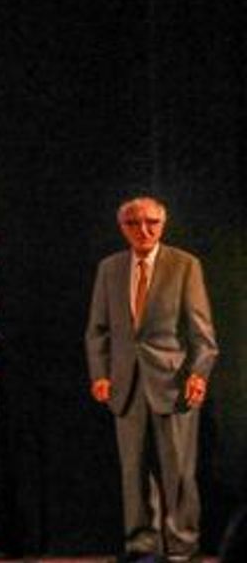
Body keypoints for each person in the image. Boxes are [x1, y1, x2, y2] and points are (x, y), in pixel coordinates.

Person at [85, 196, 217, 563]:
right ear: (122, 227)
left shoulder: (184, 265)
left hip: (173, 383)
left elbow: (202, 334)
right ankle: (141, 545)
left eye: (151, 223)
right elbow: (97, 330)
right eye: (134, 223)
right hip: (126, 385)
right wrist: (100, 373)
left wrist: (198, 373)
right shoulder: (110, 268)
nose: (143, 230)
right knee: (134, 470)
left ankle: (181, 546)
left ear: (163, 224)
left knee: (177, 471)